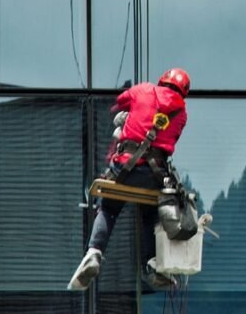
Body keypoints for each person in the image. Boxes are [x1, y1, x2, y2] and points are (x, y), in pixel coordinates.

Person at [68, 67, 192, 292]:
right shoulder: (181, 113)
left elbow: (120, 102)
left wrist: (130, 115)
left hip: (125, 167)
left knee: (109, 208)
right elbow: (170, 139)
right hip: (154, 174)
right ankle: (152, 262)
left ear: (162, 80)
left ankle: (94, 252)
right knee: (150, 212)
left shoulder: (143, 90)